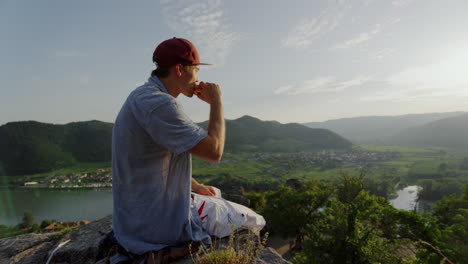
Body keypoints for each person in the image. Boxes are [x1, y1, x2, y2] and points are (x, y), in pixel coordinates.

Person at [111, 37, 225, 258]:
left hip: (134, 220)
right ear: (180, 69)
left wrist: (196, 185)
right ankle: (168, 250)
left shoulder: (143, 96)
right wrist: (217, 102)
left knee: (213, 194)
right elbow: (214, 152)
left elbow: (159, 161)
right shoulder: (160, 104)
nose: (198, 77)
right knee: (250, 220)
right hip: (153, 227)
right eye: (197, 70)